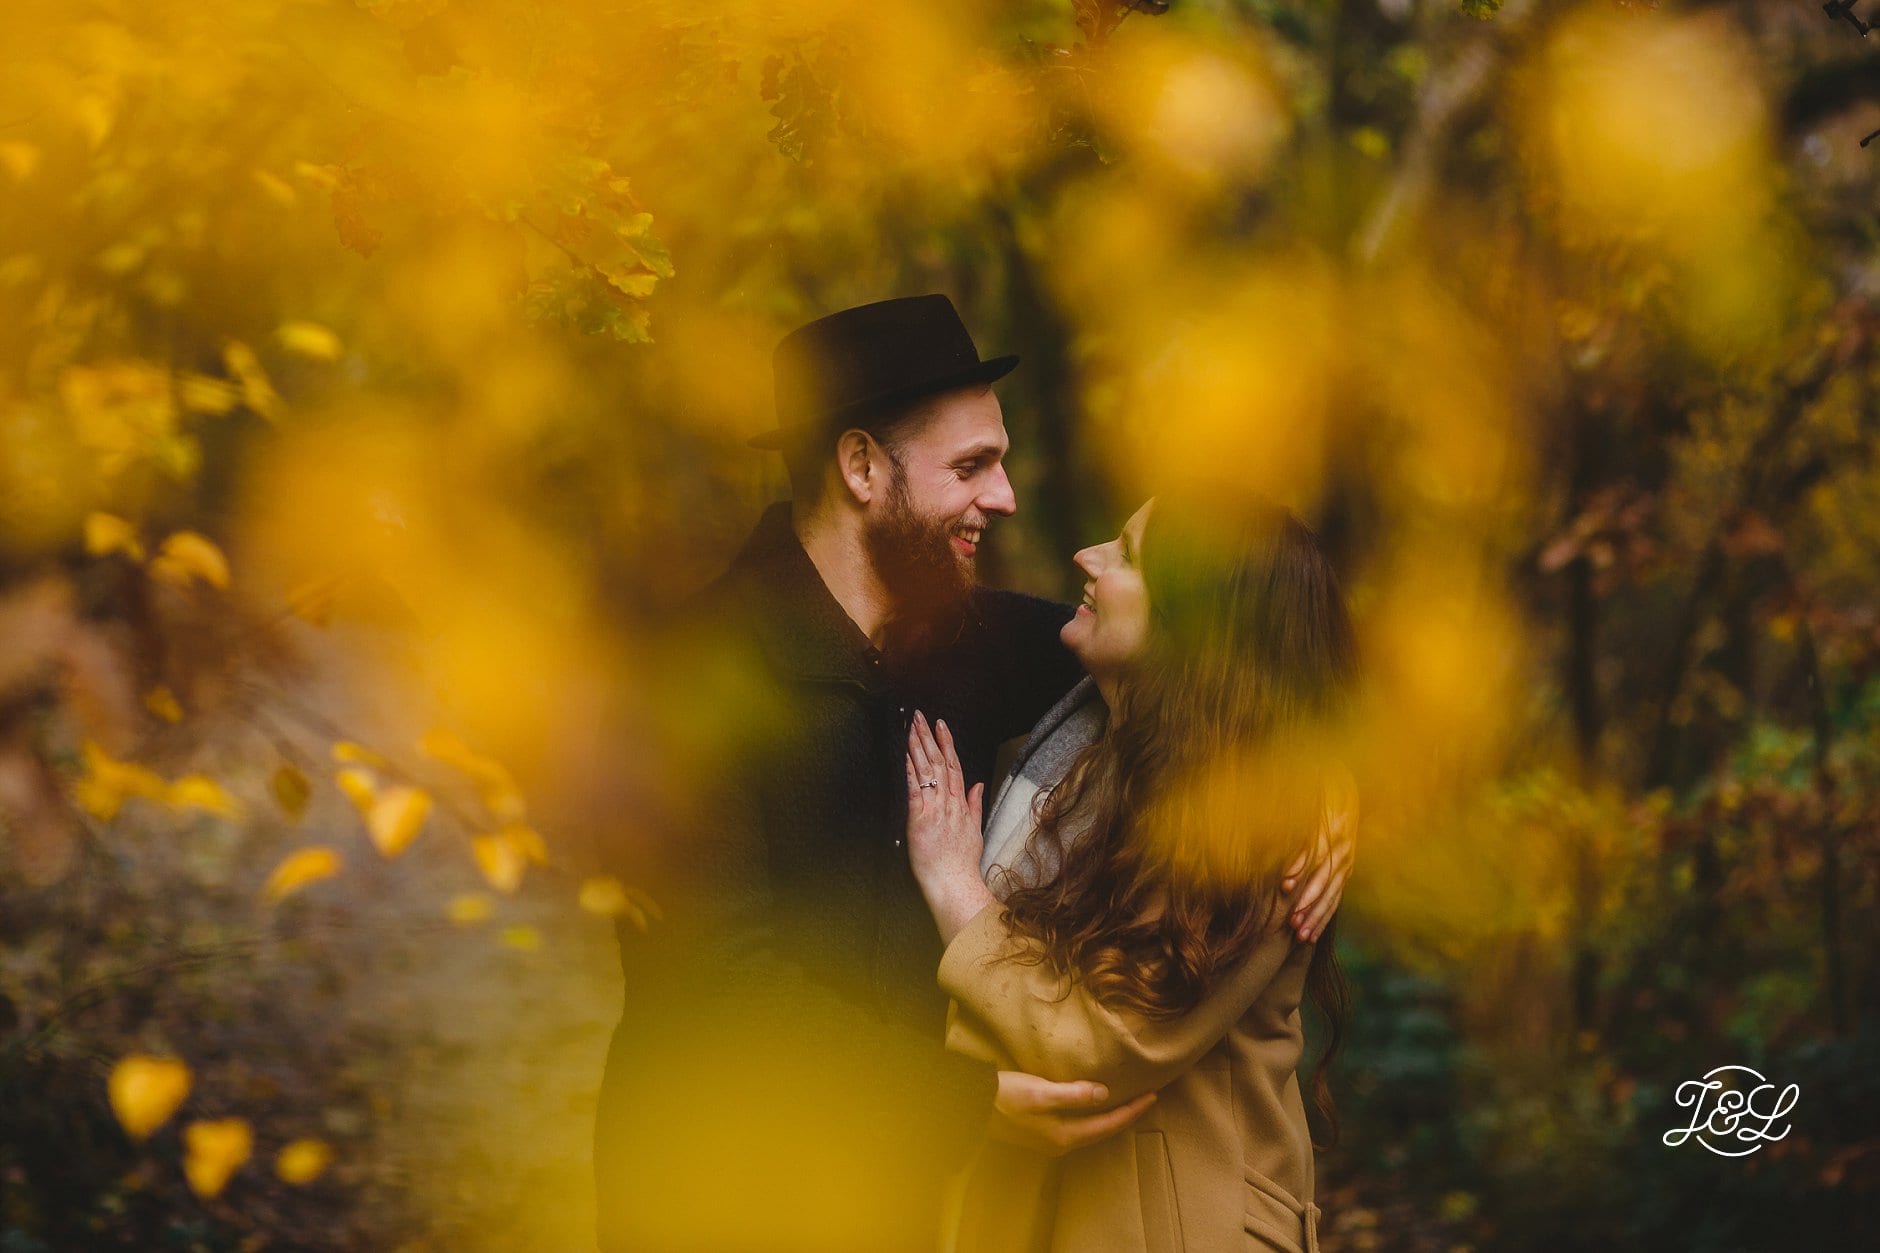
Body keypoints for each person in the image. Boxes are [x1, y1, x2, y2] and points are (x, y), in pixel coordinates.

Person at [593, 295, 1351, 1250]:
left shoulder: (973, 642)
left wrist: (1318, 788)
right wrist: (962, 1105)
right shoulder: (694, 680)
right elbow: (713, 988)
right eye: (971, 466)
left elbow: (1221, 661)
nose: (1005, 497)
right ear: (862, 466)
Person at [905, 495, 1359, 1252]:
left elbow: (1097, 1039)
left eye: (1129, 556)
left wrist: (957, 888)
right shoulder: (1110, 749)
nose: (1088, 556)